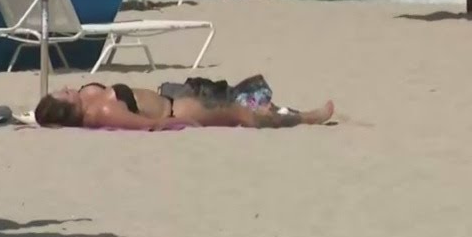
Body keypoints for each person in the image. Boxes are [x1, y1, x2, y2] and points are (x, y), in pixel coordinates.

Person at [34, 81, 334, 130]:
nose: (65, 88)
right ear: (67, 109)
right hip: (179, 110)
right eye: (62, 95)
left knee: (241, 97)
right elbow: (150, 125)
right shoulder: (104, 111)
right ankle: (307, 117)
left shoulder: (88, 100)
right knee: (244, 112)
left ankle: (291, 112)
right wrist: (182, 124)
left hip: (175, 96)